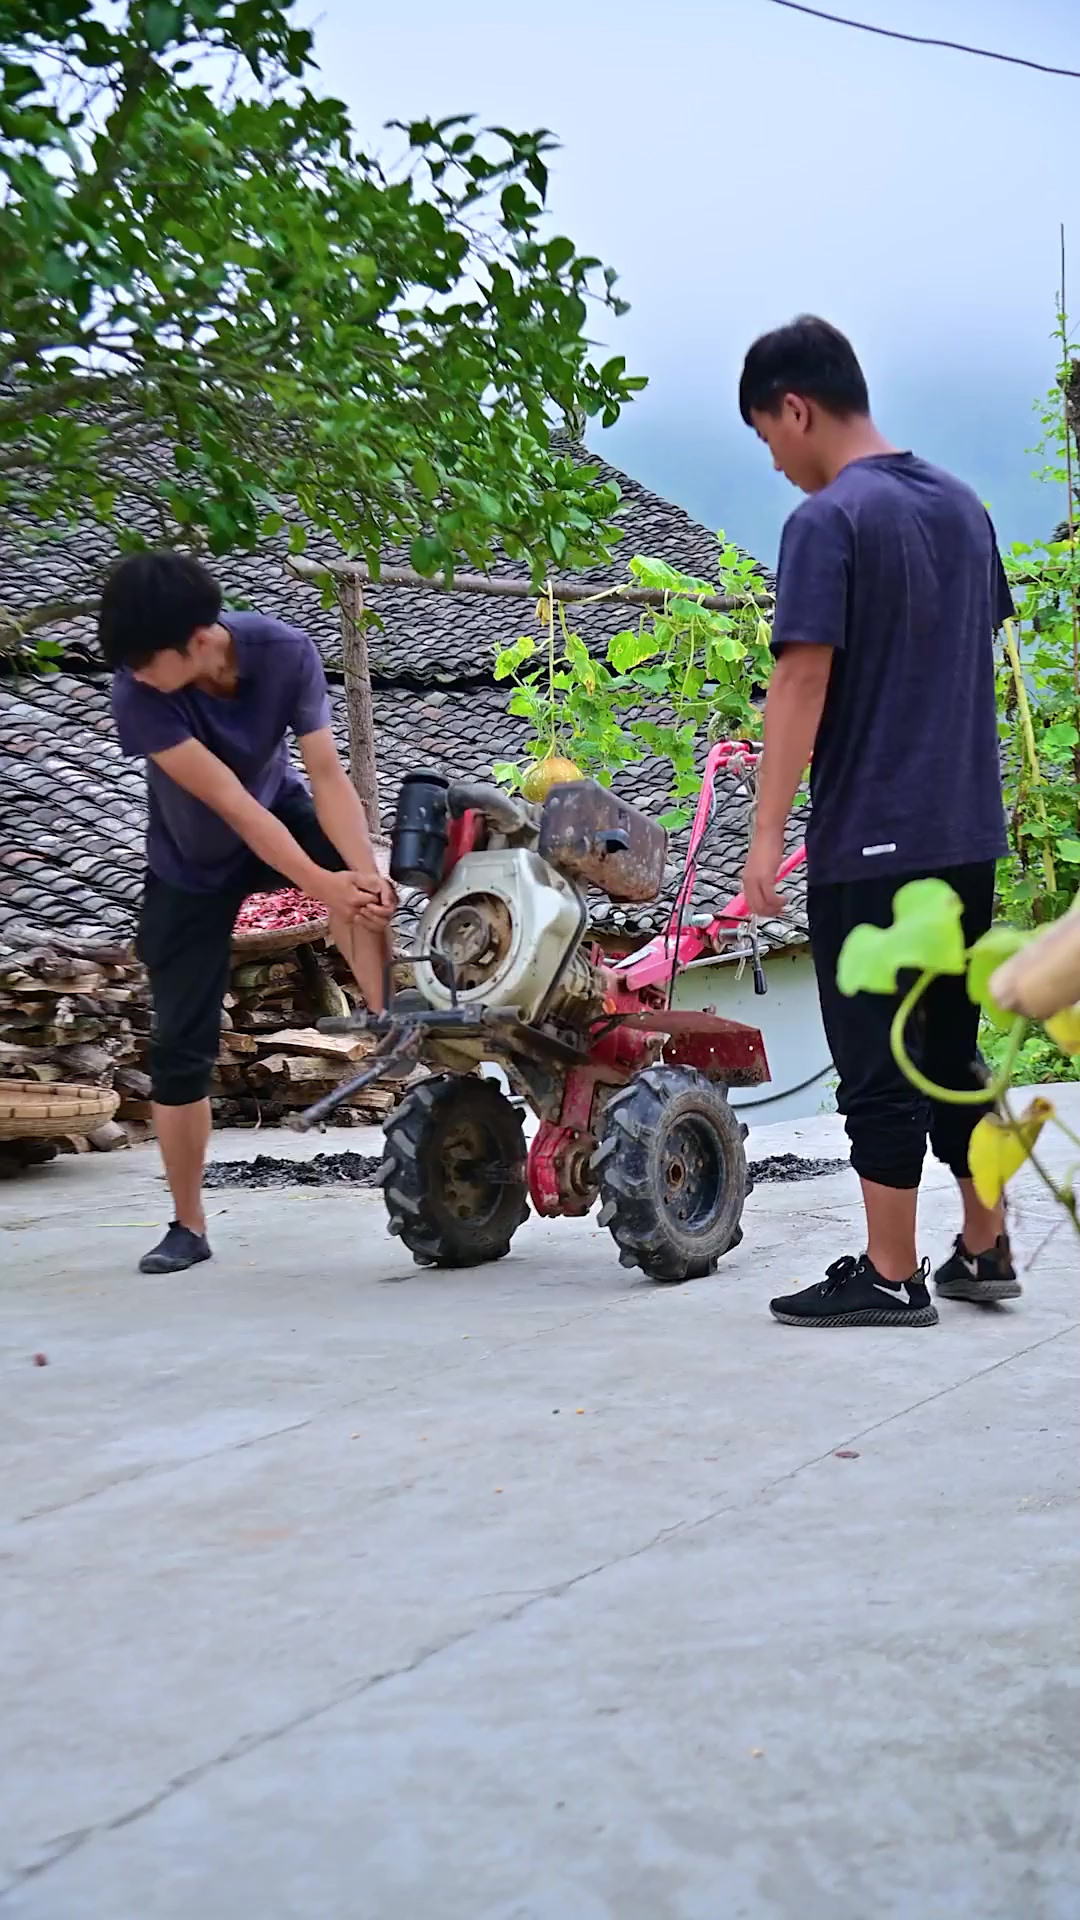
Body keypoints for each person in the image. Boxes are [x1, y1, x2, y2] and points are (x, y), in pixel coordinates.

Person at [738, 315, 1019, 1330]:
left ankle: (892, 1272)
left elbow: (802, 674)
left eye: (769, 438)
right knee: (951, 1049)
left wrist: (766, 839)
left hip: (874, 838)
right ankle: (983, 1250)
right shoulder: (962, 506)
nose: (776, 463)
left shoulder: (828, 522)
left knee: (877, 1059)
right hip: (964, 833)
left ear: (796, 407)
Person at [102, 551, 397, 1275]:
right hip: (189, 863)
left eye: (146, 662)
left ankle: (399, 1034)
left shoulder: (284, 652)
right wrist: (320, 885)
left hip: (280, 808)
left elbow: (327, 776)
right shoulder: (138, 694)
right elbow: (229, 806)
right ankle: (188, 1224)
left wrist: (355, 877)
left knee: (369, 892)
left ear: (199, 642)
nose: (136, 674)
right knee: (180, 1047)